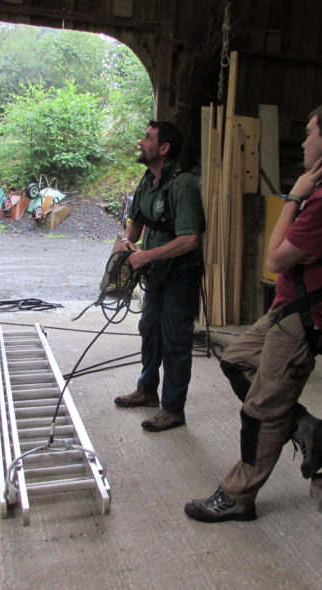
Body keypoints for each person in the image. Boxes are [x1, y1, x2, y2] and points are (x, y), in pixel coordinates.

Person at [184, 101, 322, 523]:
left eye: (309, 132)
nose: (304, 141)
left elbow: (275, 259)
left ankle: (237, 496)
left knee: (261, 410)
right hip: (290, 309)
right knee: (235, 360)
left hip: (306, 319)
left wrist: (292, 196)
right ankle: (306, 426)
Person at [113, 121, 205, 432]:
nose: (141, 142)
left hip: (180, 276)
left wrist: (145, 256)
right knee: (149, 330)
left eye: (148, 138)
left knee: (176, 341)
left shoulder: (183, 185)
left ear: (163, 148)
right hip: (155, 274)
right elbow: (136, 224)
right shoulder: (147, 182)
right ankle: (147, 390)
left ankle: (173, 409)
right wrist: (129, 241)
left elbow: (190, 239)